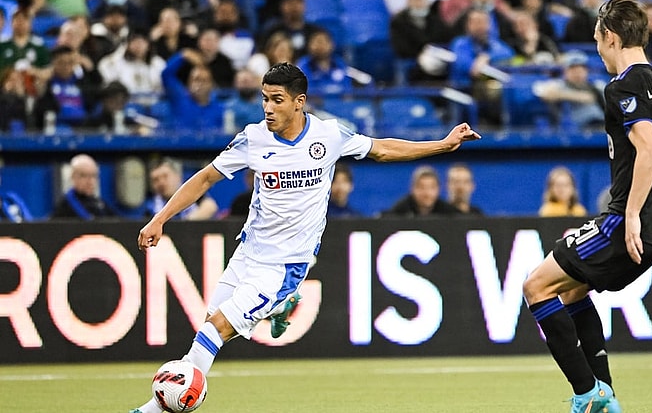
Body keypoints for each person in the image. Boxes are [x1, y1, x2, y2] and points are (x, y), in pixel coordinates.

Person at [131, 61, 480, 413]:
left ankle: (153, 410)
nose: (268, 108)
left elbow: (382, 149)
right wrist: (160, 219)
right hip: (249, 250)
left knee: (216, 329)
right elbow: (205, 179)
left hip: (286, 263)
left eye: (277, 100)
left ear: (299, 102)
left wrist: (443, 144)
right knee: (210, 326)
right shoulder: (253, 139)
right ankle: (279, 308)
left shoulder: (328, 136)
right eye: (265, 99)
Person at [521, 0, 652, 413]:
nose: (598, 50)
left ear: (610, 37)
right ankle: (603, 394)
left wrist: (631, 217)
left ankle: (589, 395)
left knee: (535, 287)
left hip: (629, 224)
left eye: (597, 40)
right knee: (570, 292)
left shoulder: (622, 86)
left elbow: (647, 148)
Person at [532, 51, 605, 129]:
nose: (577, 73)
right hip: (574, 129)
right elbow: (543, 92)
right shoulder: (559, 84)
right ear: (565, 71)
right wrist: (577, 96)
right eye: (573, 69)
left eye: (580, 69)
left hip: (599, 125)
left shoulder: (596, 86)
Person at [145, 157, 218, 220]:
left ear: (177, 176)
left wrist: (186, 223)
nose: (161, 183)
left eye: (165, 176)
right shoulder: (150, 208)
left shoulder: (192, 192)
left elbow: (210, 206)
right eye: (156, 180)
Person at [52, 154, 117, 219]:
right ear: (73, 177)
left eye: (94, 176)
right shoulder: (65, 207)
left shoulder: (100, 204)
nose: (90, 181)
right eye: (84, 175)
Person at [382, 165, 463, 217]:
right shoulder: (400, 210)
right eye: (421, 187)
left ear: (438, 189)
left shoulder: (448, 213)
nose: (426, 193)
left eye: (431, 187)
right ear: (413, 188)